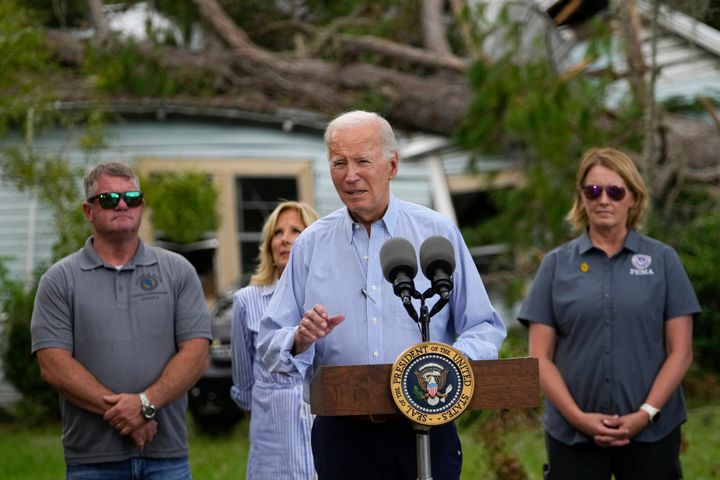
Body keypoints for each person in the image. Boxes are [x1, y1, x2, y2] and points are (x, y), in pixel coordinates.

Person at [257, 110, 506, 480]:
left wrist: (443, 364)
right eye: (339, 162)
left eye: (362, 161)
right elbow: (267, 344)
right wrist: (298, 338)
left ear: (392, 165)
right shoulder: (310, 245)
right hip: (343, 434)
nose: (350, 175)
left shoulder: (437, 234)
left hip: (428, 422)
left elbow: (484, 327)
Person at [518, 147, 700, 480]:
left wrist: (644, 415)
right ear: (582, 198)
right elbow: (539, 356)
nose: (604, 200)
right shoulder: (555, 265)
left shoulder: (663, 261)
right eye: (594, 190)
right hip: (572, 436)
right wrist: (578, 418)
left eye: (615, 191)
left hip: (652, 432)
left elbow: (681, 350)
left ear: (633, 197)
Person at [30, 161, 212, 479]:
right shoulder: (59, 280)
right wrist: (126, 414)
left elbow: (196, 354)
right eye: (110, 199)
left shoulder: (177, 271)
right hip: (91, 461)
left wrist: (145, 404)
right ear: (89, 211)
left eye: (133, 197)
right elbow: (53, 364)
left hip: (166, 457)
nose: (123, 204)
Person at [231, 201, 319, 480]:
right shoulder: (246, 301)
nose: (285, 238)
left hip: (323, 428)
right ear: (268, 245)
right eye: (278, 233)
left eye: (295, 230)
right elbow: (244, 383)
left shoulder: (329, 298)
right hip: (272, 437)